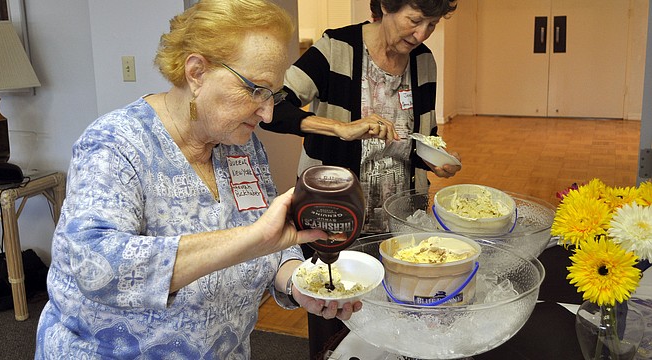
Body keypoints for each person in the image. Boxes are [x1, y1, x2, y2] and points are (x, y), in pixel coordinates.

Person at [34, 1, 361, 358]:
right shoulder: (116, 143)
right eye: (256, 90)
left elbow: (273, 243)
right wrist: (250, 239)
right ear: (196, 73)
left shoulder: (242, 146)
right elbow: (96, 265)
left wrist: (301, 284)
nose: (267, 112)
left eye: (273, 95)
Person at [260, 0, 460, 357]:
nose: (422, 34)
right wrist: (338, 127)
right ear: (386, 6)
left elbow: (419, 137)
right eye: (415, 21)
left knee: (393, 327)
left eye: (432, 24)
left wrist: (434, 160)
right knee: (333, 322)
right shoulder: (336, 48)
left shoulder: (424, 59)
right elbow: (269, 107)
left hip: (400, 221)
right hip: (333, 217)